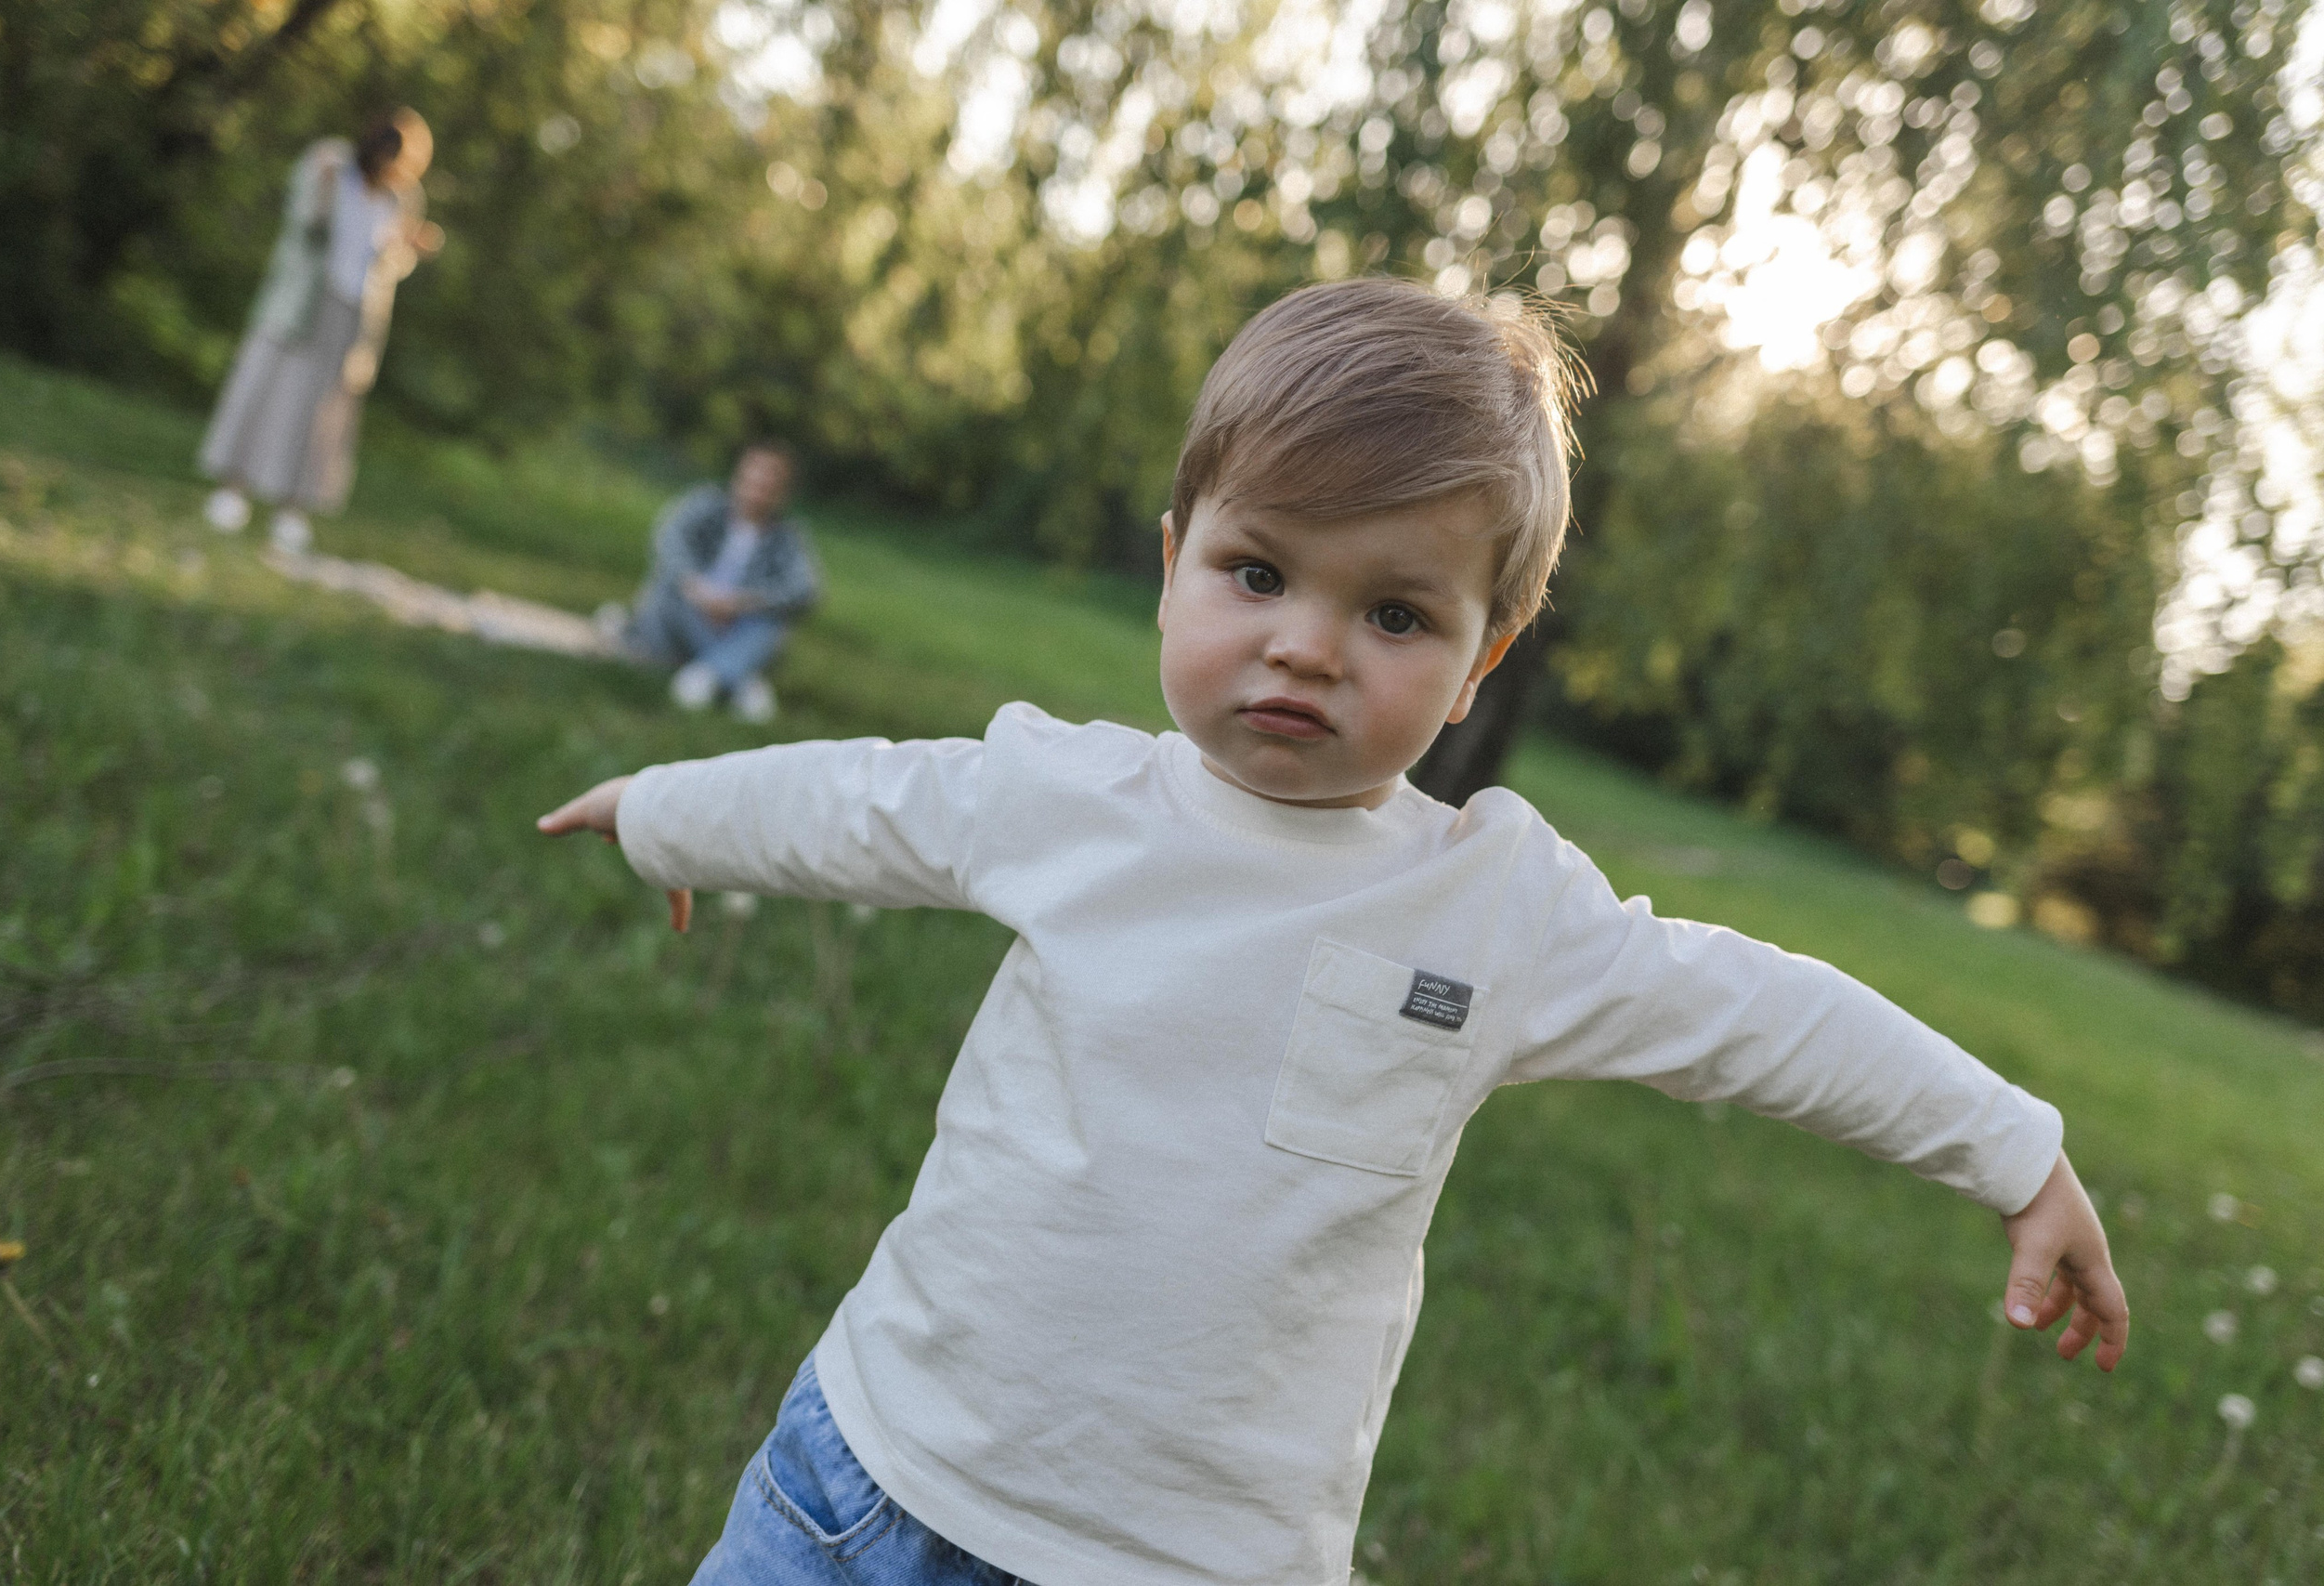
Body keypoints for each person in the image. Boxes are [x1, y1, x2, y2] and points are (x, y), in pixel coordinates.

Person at [537, 279, 2129, 1586]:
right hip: (874, 1482)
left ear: (1481, 654)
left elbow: (1756, 1015)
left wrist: (2014, 1151)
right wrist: (669, 810)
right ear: (1174, 567)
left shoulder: (1499, 906)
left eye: (1392, 613)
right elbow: (862, 806)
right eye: (1257, 572)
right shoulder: (1070, 796)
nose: (1303, 646)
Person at [199, 110, 444, 554]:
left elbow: (389, 266)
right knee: (268, 390)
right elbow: (305, 226)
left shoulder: (404, 198)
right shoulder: (328, 162)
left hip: (354, 314)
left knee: (325, 412)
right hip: (301, 300)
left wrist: (406, 248)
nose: (396, 176)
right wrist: (327, 194)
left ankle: (293, 509)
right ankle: (232, 490)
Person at [624, 443, 820, 724]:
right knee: (668, 591)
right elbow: (668, 541)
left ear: (781, 493)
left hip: (738, 621)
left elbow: (806, 590)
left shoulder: (787, 537)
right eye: (752, 479)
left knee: (773, 624)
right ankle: (738, 678)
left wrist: (743, 603)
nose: (757, 490)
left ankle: (709, 675)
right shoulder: (705, 504)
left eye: (768, 484)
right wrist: (698, 590)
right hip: (690, 608)